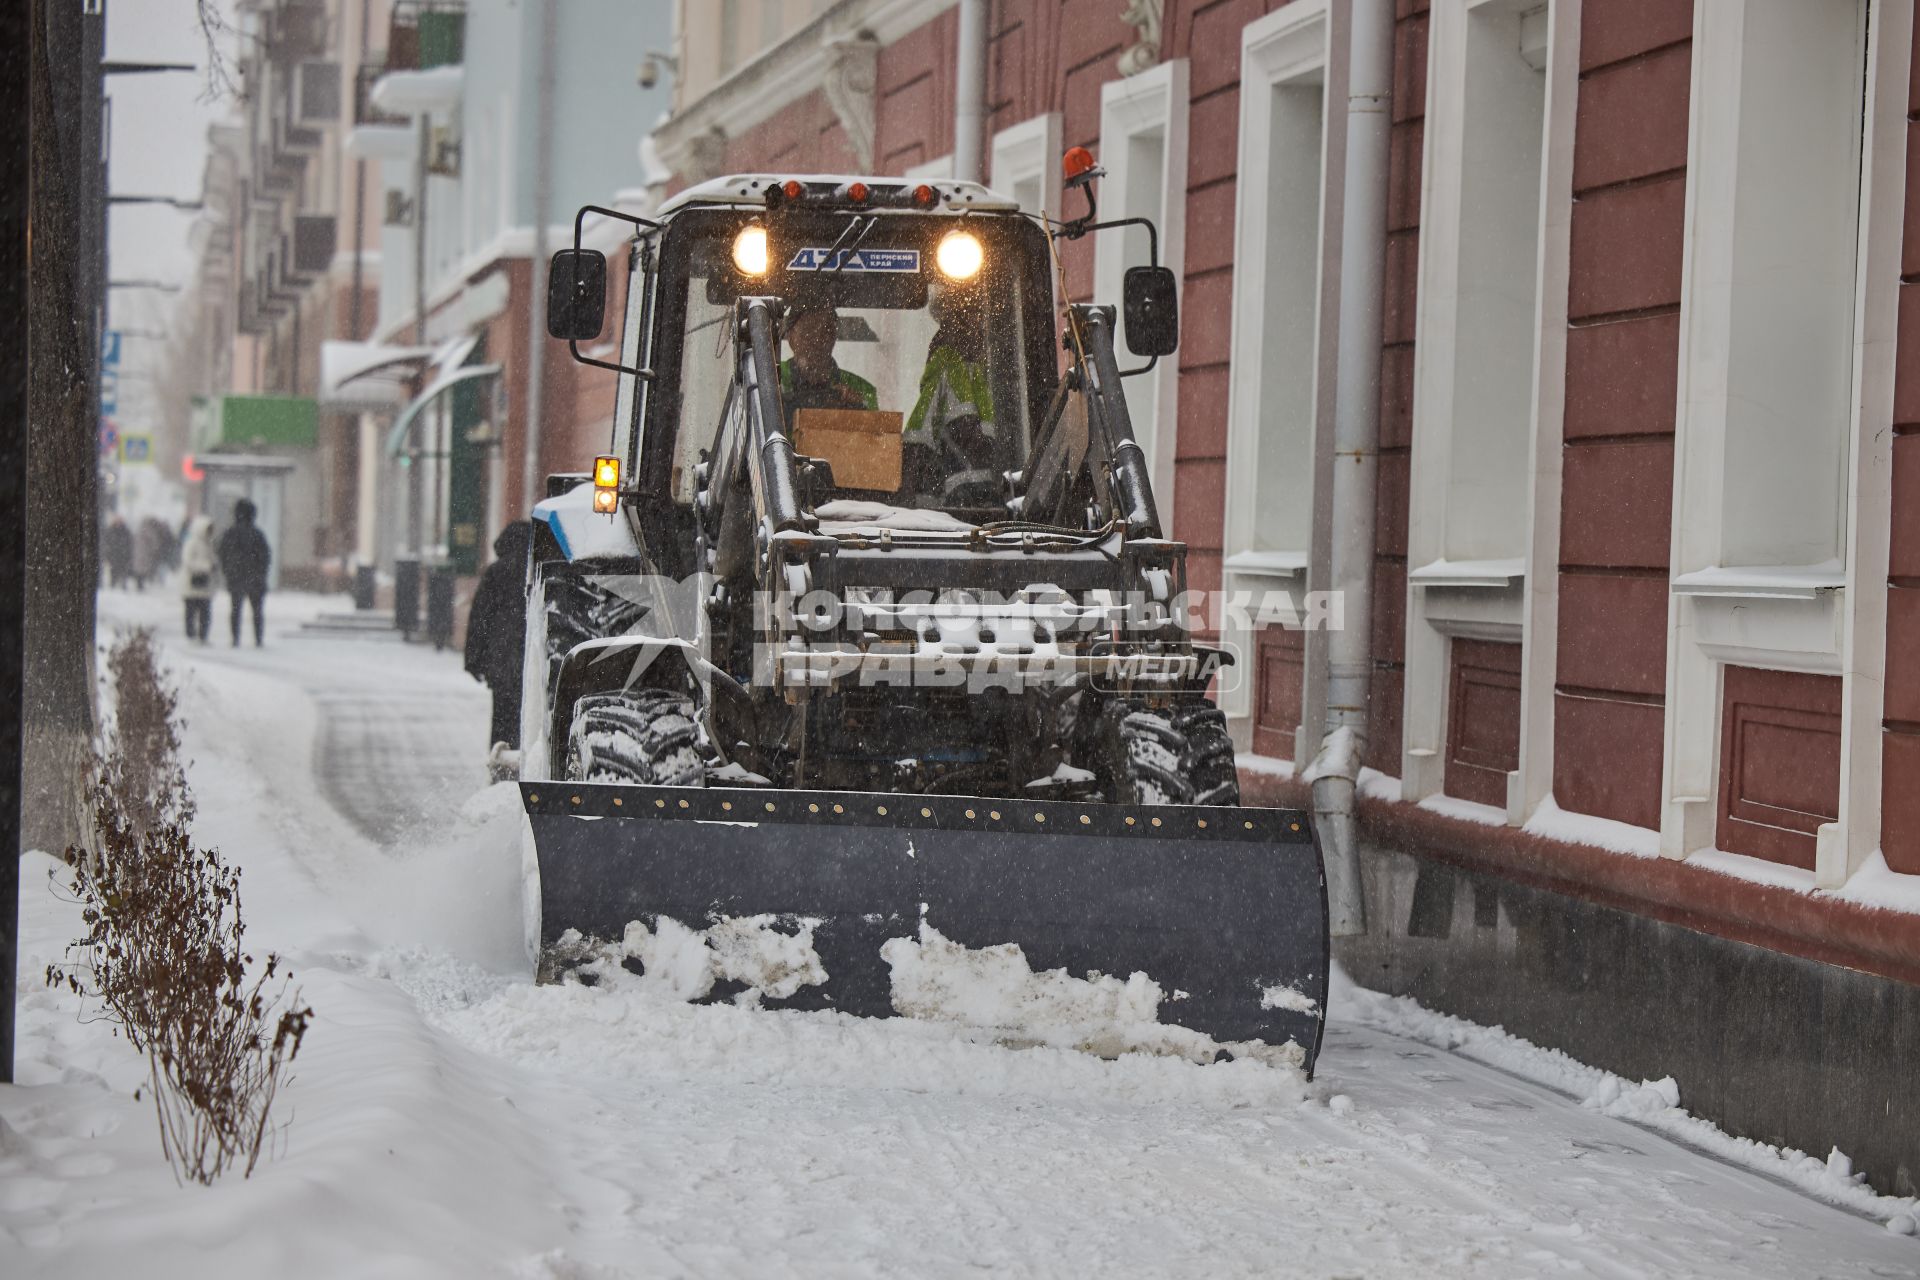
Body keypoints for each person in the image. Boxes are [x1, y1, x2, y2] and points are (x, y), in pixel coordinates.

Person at [464, 521, 531, 772]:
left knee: (502, 716)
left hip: (500, 659)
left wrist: (474, 660)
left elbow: (480, 617)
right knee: (528, 715)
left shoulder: (496, 572)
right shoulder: (535, 571)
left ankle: (500, 765)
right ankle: (525, 764)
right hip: (526, 658)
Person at [779, 303, 878, 425]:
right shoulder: (771, 378)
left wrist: (856, 412)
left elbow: (876, 439)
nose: (818, 339)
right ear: (791, 337)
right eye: (809, 330)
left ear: (834, 337)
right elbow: (761, 428)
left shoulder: (862, 389)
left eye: (826, 330)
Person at [217, 499, 272, 647]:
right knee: (257, 611)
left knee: (236, 610)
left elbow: (222, 554)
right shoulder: (258, 534)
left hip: (236, 577)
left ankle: (235, 638)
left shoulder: (230, 533)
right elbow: (265, 556)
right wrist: (260, 572)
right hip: (255, 578)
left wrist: (228, 571)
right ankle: (258, 638)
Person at [180, 516, 217, 644]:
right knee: (191, 611)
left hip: (205, 584)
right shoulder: (192, 543)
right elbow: (188, 561)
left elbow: (213, 559)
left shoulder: (210, 543)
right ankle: (190, 634)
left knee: (205, 611)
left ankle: (203, 635)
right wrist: (206, 567)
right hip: (192, 583)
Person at [102, 515, 134, 589]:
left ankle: (123, 585)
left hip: (123, 555)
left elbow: (129, 543)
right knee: (113, 571)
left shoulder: (126, 531)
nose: (119, 523)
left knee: (123, 571)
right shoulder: (110, 530)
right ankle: (112, 585)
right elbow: (107, 542)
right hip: (113, 555)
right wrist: (108, 554)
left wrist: (128, 554)